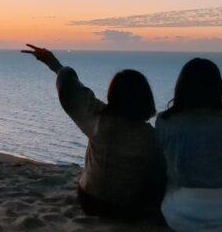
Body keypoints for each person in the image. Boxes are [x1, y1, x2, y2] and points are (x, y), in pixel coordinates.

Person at [22, 44, 165, 221]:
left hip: (90, 201)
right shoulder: (151, 137)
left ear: (113, 95)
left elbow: (70, 87)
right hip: (128, 208)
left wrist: (52, 62)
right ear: (146, 99)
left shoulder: (97, 117)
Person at [156, 58, 222, 232]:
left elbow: (160, 164)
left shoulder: (165, 121)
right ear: (216, 88)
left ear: (181, 87)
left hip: (180, 215)